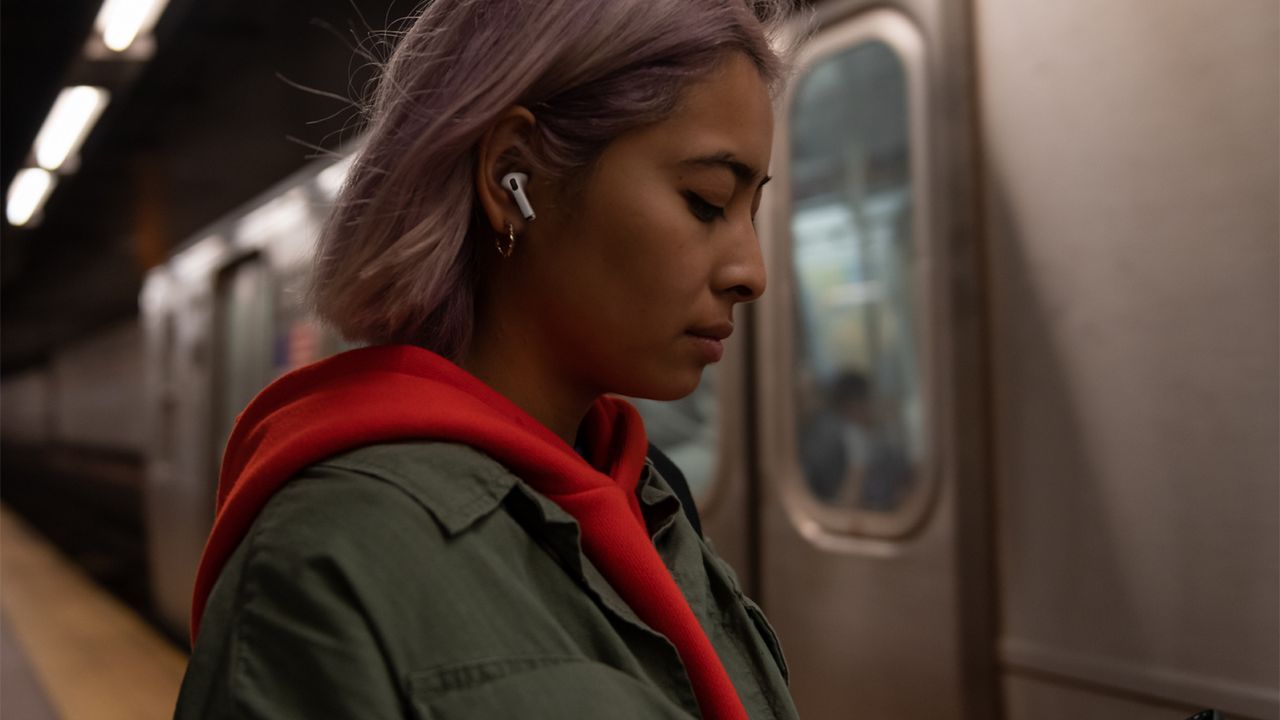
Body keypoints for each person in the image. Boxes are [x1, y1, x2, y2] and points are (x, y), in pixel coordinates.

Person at [174, 1, 799, 718]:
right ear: (513, 177)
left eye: (752, 210)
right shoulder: (327, 561)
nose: (751, 272)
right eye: (705, 200)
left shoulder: (654, 505)